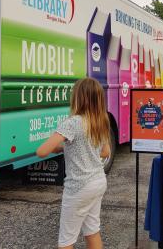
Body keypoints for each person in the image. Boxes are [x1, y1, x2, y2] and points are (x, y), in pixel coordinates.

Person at [37, 78, 110, 249]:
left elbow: (42, 151)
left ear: (78, 98)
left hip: (79, 187)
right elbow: (105, 152)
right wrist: (69, 149)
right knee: (92, 230)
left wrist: (62, 147)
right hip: (98, 182)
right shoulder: (101, 121)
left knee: (66, 240)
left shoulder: (72, 123)